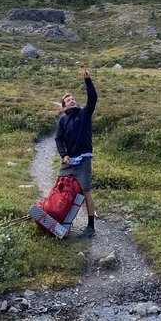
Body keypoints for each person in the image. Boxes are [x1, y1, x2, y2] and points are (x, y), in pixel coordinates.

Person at [55, 65, 97, 238]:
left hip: (84, 159)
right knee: (59, 186)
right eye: (68, 100)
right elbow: (58, 139)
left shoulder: (84, 114)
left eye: (73, 98)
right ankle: (57, 217)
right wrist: (63, 155)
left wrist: (87, 80)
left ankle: (91, 226)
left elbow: (93, 98)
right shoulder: (63, 120)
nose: (72, 100)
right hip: (69, 161)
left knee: (86, 191)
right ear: (64, 106)